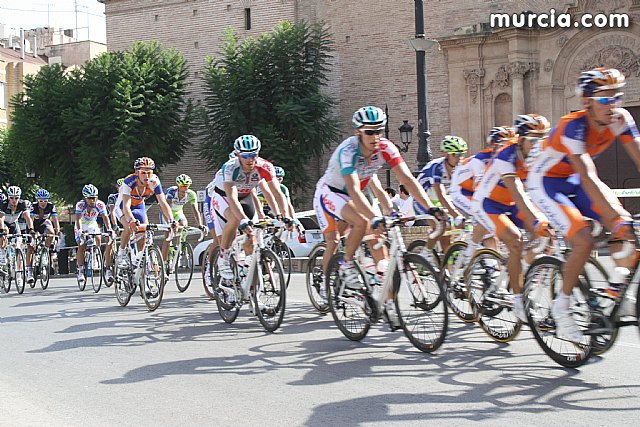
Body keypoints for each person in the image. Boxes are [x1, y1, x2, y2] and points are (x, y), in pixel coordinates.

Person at [527, 67, 640, 342]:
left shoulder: (620, 119)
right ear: (587, 101)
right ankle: (561, 308)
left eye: (617, 97)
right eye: (604, 99)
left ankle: (621, 290)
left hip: (574, 179)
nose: (612, 105)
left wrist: (619, 219)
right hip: (546, 181)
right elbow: (589, 175)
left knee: (626, 228)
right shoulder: (572, 126)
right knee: (584, 241)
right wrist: (616, 216)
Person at [313, 105, 443, 326]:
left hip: (354, 196)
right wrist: (374, 217)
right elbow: (353, 189)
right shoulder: (349, 151)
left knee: (382, 254)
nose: (375, 136)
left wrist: (431, 208)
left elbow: (408, 181)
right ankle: (343, 266)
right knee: (356, 226)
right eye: (370, 132)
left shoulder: (386, 148)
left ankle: (388, 303)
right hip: (333, 192)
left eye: (379, 131)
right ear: (358, 132)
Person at [471, 114, 553, 322]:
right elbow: (517, 192)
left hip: (511, 204)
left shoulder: (539, 155)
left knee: (544, 236)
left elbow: (543, 188)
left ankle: (518, 271)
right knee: (515, 240)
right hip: (487, 203)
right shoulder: (505, 156)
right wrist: (537, 220)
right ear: (522, 139)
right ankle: (518, 301)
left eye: (542, 140)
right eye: (534, 140)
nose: (538, 145)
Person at [212, 135, 293, 291]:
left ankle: (247, 270)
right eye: (245, 156)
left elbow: (276, 193)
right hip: (223, 196)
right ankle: (223, 256)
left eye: (253, 155)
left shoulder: (265, 166)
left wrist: (284, 216)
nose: (250, 159)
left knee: (254, 234)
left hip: (246, 196)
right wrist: (243, 220)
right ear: (238, 155)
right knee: (236, 220)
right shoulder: (230, 167)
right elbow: (232, 197)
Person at [114, 157, 176, 276]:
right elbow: (126, 206)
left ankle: (139, 265)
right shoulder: (129, 182)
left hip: (138, 206)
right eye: (143, 172)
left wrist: (172, 220)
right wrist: (131, 220)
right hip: (123, 207)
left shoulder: (154, 182)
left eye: (150, 172)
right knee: (128, 227)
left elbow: (163, 203)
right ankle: (121, 253)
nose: (147, 175)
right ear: (137, 173)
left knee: (144, 237)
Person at [414, 135, 468, 254]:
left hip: (438, 200)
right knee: (441, 226)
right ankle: (426, 255)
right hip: (423, 200)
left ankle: (446, 259)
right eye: (455, 155)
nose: (459, 158)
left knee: (451, 232)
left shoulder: (460, 167)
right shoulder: (437, 168)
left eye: (461, 154)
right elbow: (441, 195)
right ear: (446, 154)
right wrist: (456, 215)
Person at [160, 174, 207, 266]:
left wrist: (200, 224)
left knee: (183, 224)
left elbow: (195, 211)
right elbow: (167, 207)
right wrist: (171, 222)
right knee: (167, 237)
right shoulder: (172, 192)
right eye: (182, 186)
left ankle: (179, 249)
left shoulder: (191, 194)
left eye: (186, 186)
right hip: (167, 212)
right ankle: (164, 262)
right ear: (178, 186)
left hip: (178, 212)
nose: (184, 188)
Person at [74, 184, 115, 284]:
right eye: (90, 198)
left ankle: (95, 255)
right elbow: (78, 219)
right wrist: (80, 231)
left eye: (94, 198)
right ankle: (80, 270)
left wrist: (109, 229)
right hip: (81, 224)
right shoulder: (80, 205)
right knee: (81, 245)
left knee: (98, 236)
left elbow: (106, 218)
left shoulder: (100, 204)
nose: (92, 200)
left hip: (92, 223)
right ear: (85, 198)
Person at [26, 189, 61, 284]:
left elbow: (55, 219)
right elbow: (31, 219)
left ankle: (46, 248)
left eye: (45, 201)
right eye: (41, 201)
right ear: (37, 200)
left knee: (51, 230)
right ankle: (29, 270)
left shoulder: (51, 206)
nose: (43, 203)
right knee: (30, 247)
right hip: (33, 225)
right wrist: (33, 232)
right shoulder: (33, 207)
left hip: (43, 223)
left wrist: (57, 231)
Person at [0, 186, 34, 281]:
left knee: (19, 246)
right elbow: (1, 218)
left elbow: (27, 217)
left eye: (16, 198)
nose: (14, 200)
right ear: (8, 197)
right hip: (4, 223)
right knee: (5, 232)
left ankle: (19, 275)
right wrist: (2, 230)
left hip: (14, 224)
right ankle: (2, 255)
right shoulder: (3, 204)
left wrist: (31, 229)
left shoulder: (22, 204)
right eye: (11, 198)